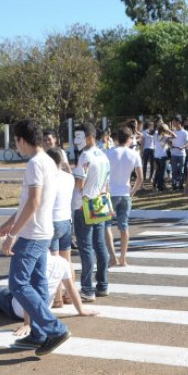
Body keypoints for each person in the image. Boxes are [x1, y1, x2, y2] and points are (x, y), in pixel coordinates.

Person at [0, 119, 71, 357]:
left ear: (22, 140)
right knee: (37, 284)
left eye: (16, 141)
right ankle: (39, 334)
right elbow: (29, 202)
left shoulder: (35, 164)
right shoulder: (48, 161)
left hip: (33, 233)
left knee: (18, 284)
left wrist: (13, 234)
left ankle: (55, 328)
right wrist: (10, 223)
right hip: (43, 231)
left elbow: (34, 202)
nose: (16, 146)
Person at [70, 122, 111, 301]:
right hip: (100, 203)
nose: (75, 140)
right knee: (100, 245)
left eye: (78, 136)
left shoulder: (85, 157)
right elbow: (106, 183)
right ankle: (103, 284)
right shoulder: (103, 155)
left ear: (90, 137)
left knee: (86, 248)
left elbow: (79, 184)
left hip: (83, 205)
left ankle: (87, 289)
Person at [105, 127, 143, 266]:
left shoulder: (108, 153)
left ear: (117, 139)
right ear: (129, 139)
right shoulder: (134, 154)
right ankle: (123, 258)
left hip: (110, 193)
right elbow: (140, 178)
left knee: (106, 225)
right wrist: (133, 191)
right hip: (125, 193)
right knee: (124, 226)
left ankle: (112, 256)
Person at [45, 147, 75, 307]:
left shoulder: (48, 178)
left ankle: (57, 299)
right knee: (67, 260)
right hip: (66, 220)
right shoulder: (69, 177)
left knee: (54, 261)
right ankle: (70, 295)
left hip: (52, 221)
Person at [169, 117, 188, 191]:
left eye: (173, 122)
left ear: (178, 122)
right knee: (174, 170)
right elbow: (169, 140)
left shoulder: (184, 132)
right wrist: (170, 145)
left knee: (181, 170)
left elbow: (187, 142)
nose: (172, 123)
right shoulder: (173, 132)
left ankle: (181, 184)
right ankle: (174, 185)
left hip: (182, 154)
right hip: (174, 153)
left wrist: (183, 147)